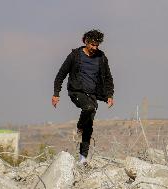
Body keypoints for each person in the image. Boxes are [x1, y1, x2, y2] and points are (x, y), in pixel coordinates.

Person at [52, 29, 114, 164]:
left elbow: (108, 77)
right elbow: (61, 74)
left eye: (97, 45)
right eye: (92, 45)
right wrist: (56, 93)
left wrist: (109, 95)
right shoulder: (75, 55)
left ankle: (83, 158)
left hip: (92, 94)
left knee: (89, 126)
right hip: (76, 92)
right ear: (86, 42)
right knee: (89, 108)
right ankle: (79, 125)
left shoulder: (101, 58)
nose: (94, 48)